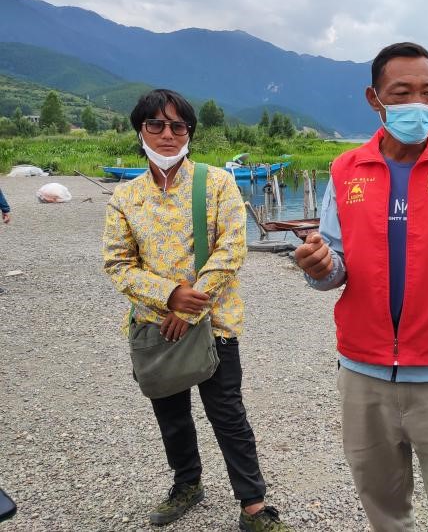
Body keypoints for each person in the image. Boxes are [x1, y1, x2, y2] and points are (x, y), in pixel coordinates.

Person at [294, 42, 428, 531]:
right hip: (363, 372)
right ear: (374, 98)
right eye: (402, 92)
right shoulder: (346, 171)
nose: (418, 103)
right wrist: (319, 267)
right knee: (383, 509)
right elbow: (334, 266)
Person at [103, 90, 289, 531]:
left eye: (178, 126)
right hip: (155, 326)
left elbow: (231, 250)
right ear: (140, 131)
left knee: (228, 414)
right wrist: (169, 295)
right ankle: (187, 484)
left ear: (190, 133)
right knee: (171, 416)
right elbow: (118, 263)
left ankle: (253, 505)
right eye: (156, 124)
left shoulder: (217, 183)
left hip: (215, 323)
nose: (167, 134)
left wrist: (188, 305)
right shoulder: (125, 197)